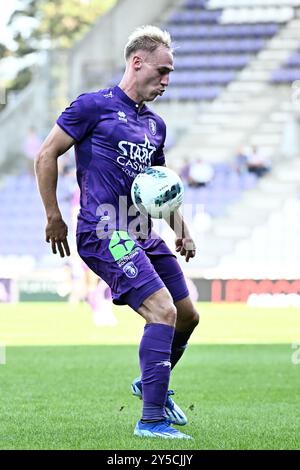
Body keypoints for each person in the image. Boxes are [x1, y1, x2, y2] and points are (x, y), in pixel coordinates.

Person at [35, 25, 199, 440]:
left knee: (188, 316)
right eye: (162, 71)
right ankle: (151, 421)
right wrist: (53, 214)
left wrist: (182, 230)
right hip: (104, 229)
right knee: (162, 311)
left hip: (143, 230)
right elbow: (47, 153)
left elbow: (158, 186)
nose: (166, 81)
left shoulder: (155, 126)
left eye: (170, 74)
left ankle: (150, 381)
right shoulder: (93, 106)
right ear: (136, 61)